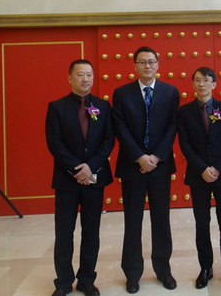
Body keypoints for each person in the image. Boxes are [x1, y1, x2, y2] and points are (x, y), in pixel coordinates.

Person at [112, 46, 180, 294]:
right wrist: (140, 156)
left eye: (151, 61)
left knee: (161, 220)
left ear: (158, 64)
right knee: (133, 221)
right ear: (135, 66)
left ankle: (163, 270)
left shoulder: (171, 92)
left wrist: (156, 156)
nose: (147, 66)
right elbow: (120, 127)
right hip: (132, 167)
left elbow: (172, 126)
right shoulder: (121, 93)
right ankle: (132, 274)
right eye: (142, 62)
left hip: (160, 166)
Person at [45, 59, 115, 296]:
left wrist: (91, 167)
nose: (85, 79)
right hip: (67, 180)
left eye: (89, 75)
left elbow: (108, 140)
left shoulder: (103, 106)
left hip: (95, 179)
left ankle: (86, 280)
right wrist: (77, 169)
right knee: (64, 233)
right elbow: (54, 143)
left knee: (91, 232)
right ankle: (63, 282)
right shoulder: (57, 107)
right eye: (80, 75)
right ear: (70, 78)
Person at [177, 67, 221, 290]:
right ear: (193, 84)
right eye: (197, 80)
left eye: (206, 80)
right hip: (198, 176)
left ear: (214, 84)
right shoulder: (184, 112)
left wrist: (218, 167)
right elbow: (184, 144)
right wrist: (203, 168)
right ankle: (205, 268)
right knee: (202, 224)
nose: (201, 84)